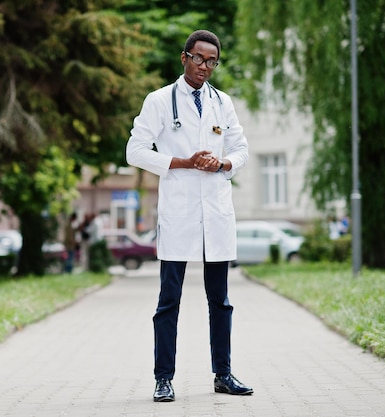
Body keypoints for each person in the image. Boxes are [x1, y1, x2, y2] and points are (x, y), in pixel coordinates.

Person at [126, 29, 253, 402]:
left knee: (221, 301)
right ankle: (163, 378)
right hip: (179, 212)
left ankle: (223, 374)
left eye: (211, 61)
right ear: (184, 58)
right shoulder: (161, 100)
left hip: (215, 211)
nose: (204, 67)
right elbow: (135, 150)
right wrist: (182, 162)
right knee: (169, 301)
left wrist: (223, 162)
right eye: (198, 58)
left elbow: (241, 148)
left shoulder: (222, 102)